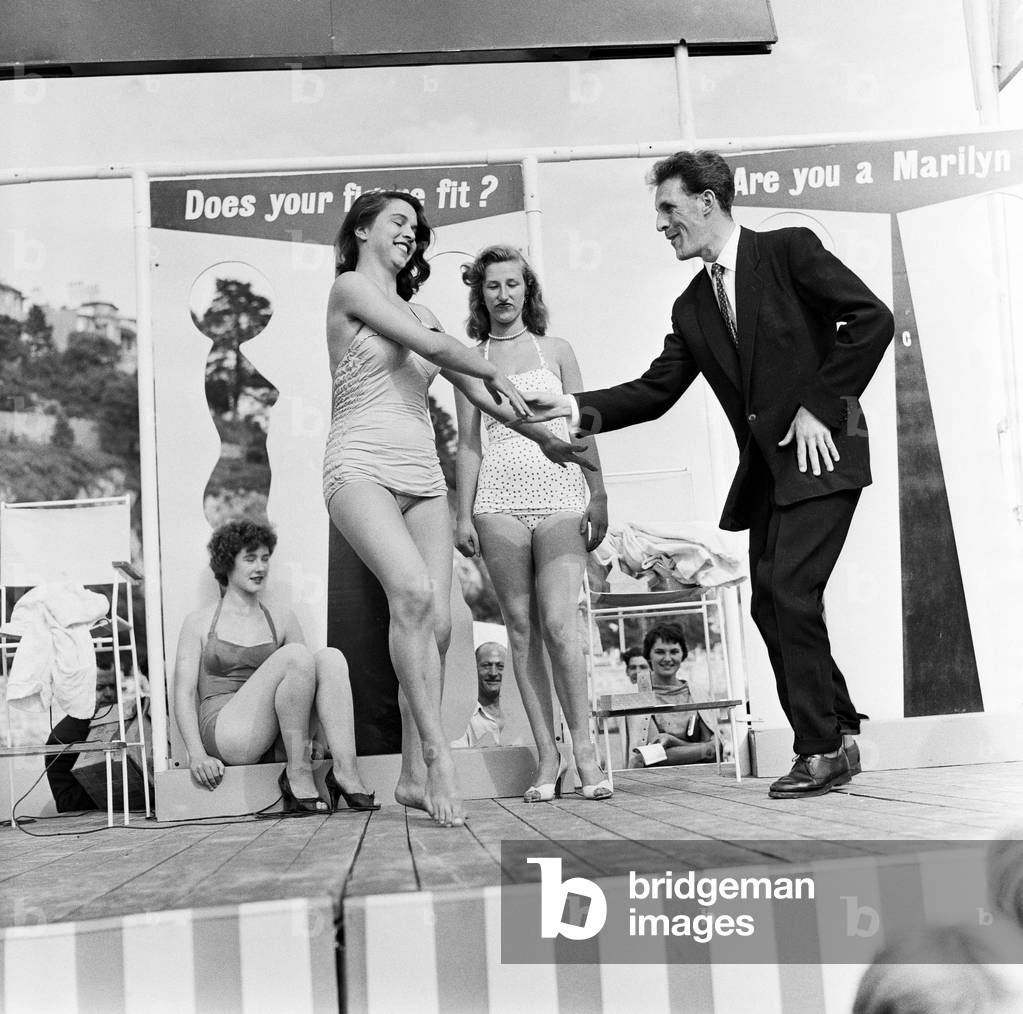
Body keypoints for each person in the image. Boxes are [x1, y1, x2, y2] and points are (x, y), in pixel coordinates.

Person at [525, 150, 894, 798]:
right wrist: (578, 408)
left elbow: (870, 319)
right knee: (769, 601)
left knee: (787, 590)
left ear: (706, 200)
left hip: (823, 453)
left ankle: (820, 749)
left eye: (668, 208)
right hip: (768, 474)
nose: (661, 224)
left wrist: (818, 406)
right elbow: (656, 389)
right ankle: (836, 731)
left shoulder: (788, 251)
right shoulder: (693, 305)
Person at [324, 193, 588, 826]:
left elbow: (478, 393)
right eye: (398, 223)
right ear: (363, 228)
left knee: (438, 624)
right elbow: (447, 356)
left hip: (421, 471)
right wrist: (489, 367)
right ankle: (440, 762)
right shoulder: (350, 290)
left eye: (416, 229)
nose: (410, 235)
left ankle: (413, 777)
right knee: (411, 593)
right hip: (358, 465)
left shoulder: (424, 309)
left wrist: (545, 437)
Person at [454, 244, 612, 801]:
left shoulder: (557, 350)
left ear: (528, 290)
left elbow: (584, 422)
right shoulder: (469, 359)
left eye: (513, 284)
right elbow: (468, 444)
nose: (503, 295)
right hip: (497, 499)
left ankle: (587, 754)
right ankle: (549, 758)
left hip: (561, 493)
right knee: (519, 629)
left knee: (560, 625)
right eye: (493, 285)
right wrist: (463, 511)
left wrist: (598, 492)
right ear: (482, 294)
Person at [173, 519, 377, 813]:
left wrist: (315, 740)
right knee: (295, 654)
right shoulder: (198, 622)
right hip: (228, 732)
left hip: (273, 734)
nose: (261, 567)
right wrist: (196, 755)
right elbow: (183, 692)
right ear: (228, 563)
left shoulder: (281, 618)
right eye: (250, 558)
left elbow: (307, 681)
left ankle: (346, 772)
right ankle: (298, 774)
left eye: (265, 558)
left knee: (330, 658)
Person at [625, 623, 716, 768]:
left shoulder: (697, 692)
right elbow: (653, 756)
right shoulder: (638, 696)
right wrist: (703, 749)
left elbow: (716, 749)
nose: (667, 658)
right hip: (653, 783)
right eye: (660, 652)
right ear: (648, 655)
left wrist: (672, 741)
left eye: (674, 651)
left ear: (683, 654)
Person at [451, 641, 506, 748]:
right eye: (486, 666)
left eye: (500, 666)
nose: (493, 673)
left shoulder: (522, 713)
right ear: (474, 668)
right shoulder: (461, 717)